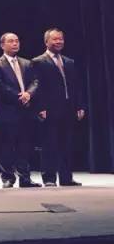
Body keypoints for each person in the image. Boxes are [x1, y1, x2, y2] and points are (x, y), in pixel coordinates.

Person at [32, 28, 86, 187]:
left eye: (61, 39)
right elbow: (36, 86)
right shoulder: (38, 61)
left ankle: (66, 177)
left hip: (68, 108)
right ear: (46, 41)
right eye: (55, 39)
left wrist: (80, 105)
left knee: (66, 144)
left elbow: (76, 86)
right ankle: (49, 178)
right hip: (49, 109)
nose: (59, 42)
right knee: (49, 144)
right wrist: (40, 107)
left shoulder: (69, 62)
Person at [0, 33, 42, 188]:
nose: (15, 44)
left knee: (25, 145)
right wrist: (19, 96)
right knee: (6, 145)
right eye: (11, 41)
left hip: (25, 110)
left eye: (17, 41)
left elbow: (36, 81)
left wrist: (29, 94)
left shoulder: (27, 63)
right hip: (7, 110)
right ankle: (8, 177)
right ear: (2, 45)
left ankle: (25, 178)